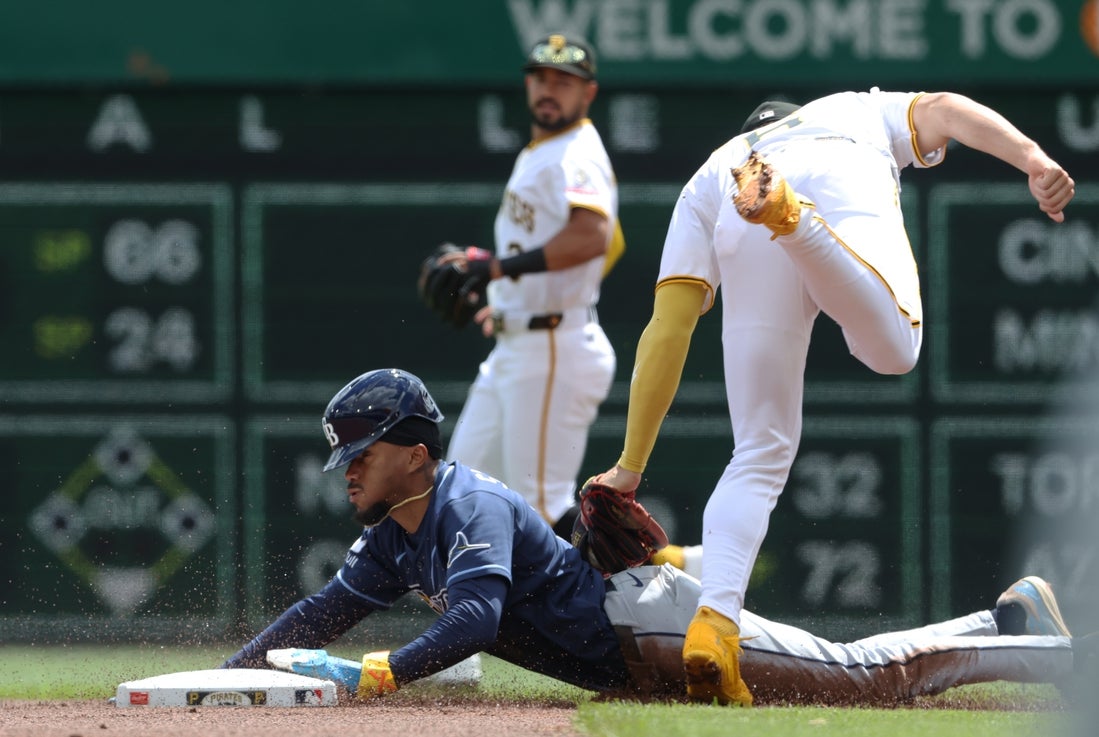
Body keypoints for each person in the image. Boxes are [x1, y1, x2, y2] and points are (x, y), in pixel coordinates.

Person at [592, 89, 1077, 705]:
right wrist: (1032, 157)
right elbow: (946, 108)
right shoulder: (852, 109)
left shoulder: (716, 167)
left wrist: (629, 466)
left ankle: (714, 626)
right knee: (894, 350)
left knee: (759, 450)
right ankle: (793, 218)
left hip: (739, 209)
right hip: (832, 172)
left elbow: (668, 329)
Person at [223, 368, 1093, 707]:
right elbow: (322, 612)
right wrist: (225, 676)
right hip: (633, 648)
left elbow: (476, 618)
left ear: (414, 454)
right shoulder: (394, 535)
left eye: (362, 454)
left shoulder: (467, 504)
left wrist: (387, 669)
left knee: (868, 679)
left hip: (655, 626)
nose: (347, 470)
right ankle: (1003, 618)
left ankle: (1060, 654)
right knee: (858, 670)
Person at [439, 33, 622, 539]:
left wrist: (499, 270)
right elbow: (602, 244)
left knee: (540, 511)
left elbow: (594, 237)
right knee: (460, 494)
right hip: (521, 342)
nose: (549, 90)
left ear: (588, 92)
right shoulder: (543, 150)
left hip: (554, 347)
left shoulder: (576, 153)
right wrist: (510, 304)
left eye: (564, 81)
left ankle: (673, 572)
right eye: (541, 78)